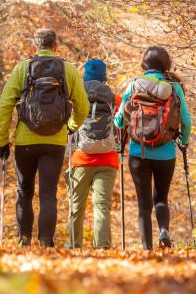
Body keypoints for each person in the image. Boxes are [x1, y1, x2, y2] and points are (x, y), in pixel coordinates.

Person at [0, 28, 89, 247]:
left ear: (34, 47)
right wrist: (70, 127)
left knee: (24, 191)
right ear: (56, 47)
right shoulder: (68, 69)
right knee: (48, 193)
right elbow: (83, 107)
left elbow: (5, 105)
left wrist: (2, 140)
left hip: (25, 141)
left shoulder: (23, 68)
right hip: (54, 141)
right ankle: (46, 241)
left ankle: (24, 239)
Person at [114, 46, 191, 250]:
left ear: (144, 64)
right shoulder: (173, 87)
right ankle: (164, 231)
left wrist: (126, 124)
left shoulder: (134, 85)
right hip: (166, 153)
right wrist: (184, 142)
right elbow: (186, 119)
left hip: (138, 153)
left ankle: (147, 250)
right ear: (165, 64)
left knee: (143, 204)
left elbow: (119, 120)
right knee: (161, 198)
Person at [66, 59, 120, 249]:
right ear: (104, 77)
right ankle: (103, 248)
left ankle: (72, 246)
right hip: (108, 160)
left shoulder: (75, 97)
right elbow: (122, 126)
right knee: (102, 206)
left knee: (75, 206)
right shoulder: (115, 98)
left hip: (80, 159)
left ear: (85, 76)